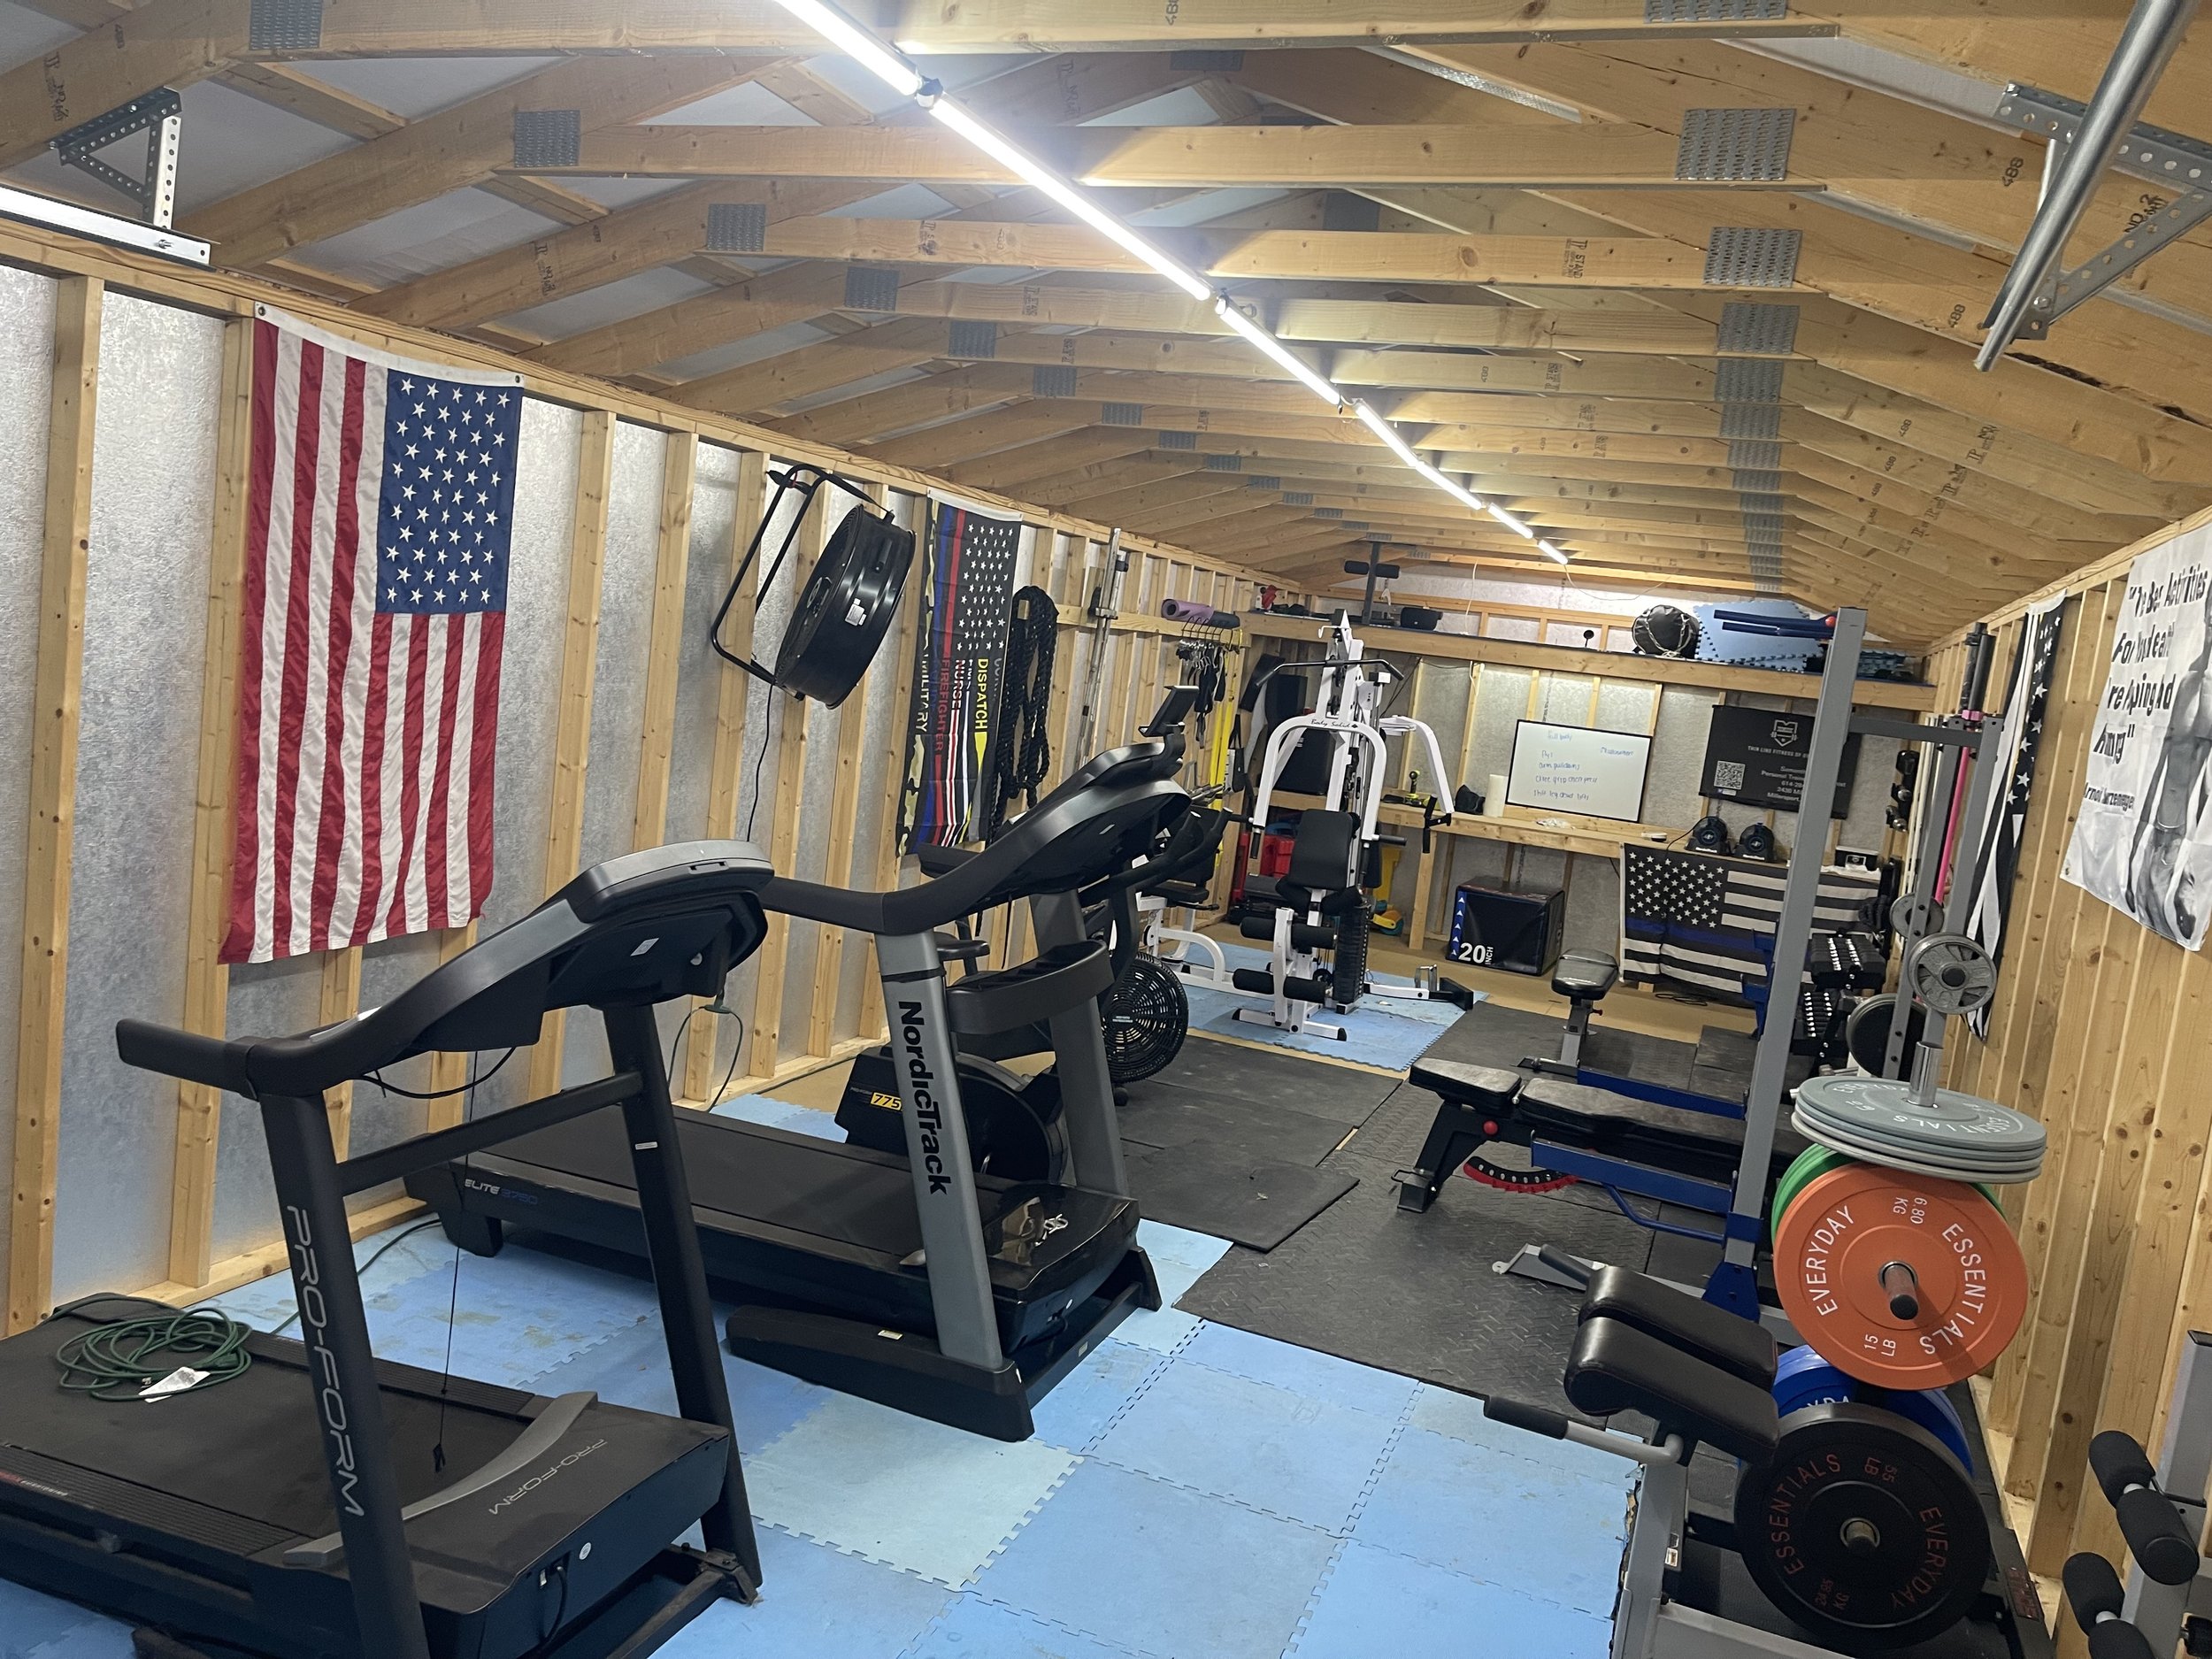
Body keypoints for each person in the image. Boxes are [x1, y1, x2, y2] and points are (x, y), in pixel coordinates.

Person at [2128, 589, 2212, 943]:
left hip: (2193, 842)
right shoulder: (2190, 682)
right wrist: (2135, 845)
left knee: (2182, 925)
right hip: (2160, 832)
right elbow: (2158, 768)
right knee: (2144, 906)